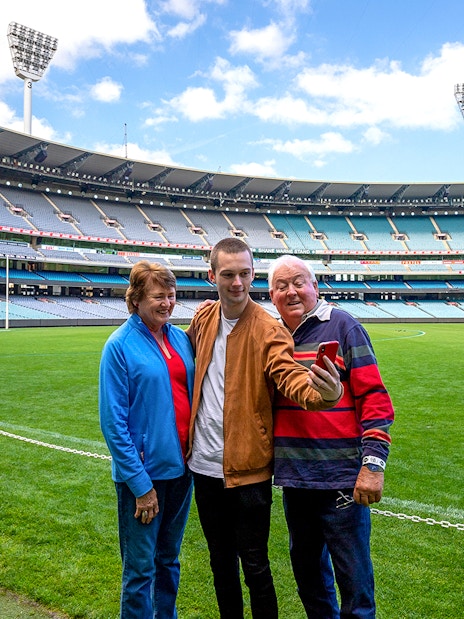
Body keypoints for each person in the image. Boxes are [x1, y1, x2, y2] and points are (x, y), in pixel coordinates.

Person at [186, 238, 343, 619]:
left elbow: (288, 374)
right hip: (203, 469)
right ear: (212, 276)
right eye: (228, 275)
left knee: (255, 568)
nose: (237, 283)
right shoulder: (203, 319)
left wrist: (321, 392)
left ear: (253, 275)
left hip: (249, 472)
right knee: (220, 565)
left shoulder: (268, 328)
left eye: (244, 274)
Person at [268, 254, 395, 619]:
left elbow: (376, 399)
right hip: (296, 482)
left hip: (341, 481)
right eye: (281, 285)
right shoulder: (273, 337)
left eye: (298, 282)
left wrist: (372, 465)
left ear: (315, 287)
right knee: (309, 580)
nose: (291, 291)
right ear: (271, 295)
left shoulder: (343, 326)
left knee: (354, 585)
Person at [99, 261, 195, 619]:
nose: (167, 303)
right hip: (143, 479)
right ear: (136, 299)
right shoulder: (119, 346)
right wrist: (140, 485)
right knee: (140, 569)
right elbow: (114, 424)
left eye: (171, 295)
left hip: (182, 472)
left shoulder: (180, 338)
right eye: (158, 296)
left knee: (169, 560)